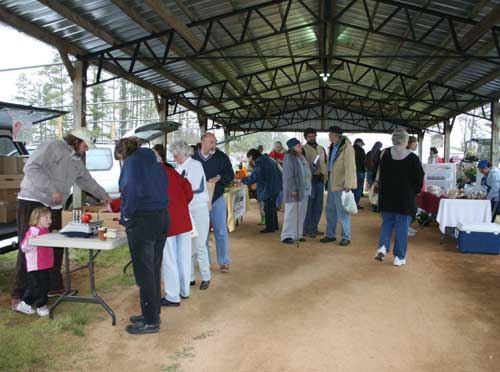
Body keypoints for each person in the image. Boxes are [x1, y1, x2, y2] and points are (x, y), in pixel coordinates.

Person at [10, 128, 111, 310]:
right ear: (76, 140)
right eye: (85, 145)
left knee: (56, 245)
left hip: (54, 206)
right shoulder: (51, 146)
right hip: (32, 201)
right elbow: (30, 167)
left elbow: (87, 181)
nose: (86, 149)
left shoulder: (75, 160)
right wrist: (51, 190)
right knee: (29, 246)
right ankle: (19, 293)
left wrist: (105, 197)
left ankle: (53, 287)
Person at [116, 137, 170, 335]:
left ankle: (150, 321)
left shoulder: (132, 162)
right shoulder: (154, 160)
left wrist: (126, 214)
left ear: (123, 153)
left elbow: (131, 190)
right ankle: (152, 312)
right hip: (162, 217)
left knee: (145, 272)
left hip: (144, 221)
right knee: (153, 269)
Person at [374, 129, 424, 267]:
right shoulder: (413, 158)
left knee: (387, 223)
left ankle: (383, 247)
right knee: (402, 227)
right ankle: (399, 257)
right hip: (404, 199)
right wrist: (414, 192)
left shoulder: (385, 155)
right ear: (404, 141)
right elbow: (419, 180)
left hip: (386, 198)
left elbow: (381, 175)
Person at [170, 140, 212, 291]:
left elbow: (194, 187)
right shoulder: (178, 167)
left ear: (183, 153)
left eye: (175, 155)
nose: (174, 158)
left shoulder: (195, 165)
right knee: (186, 246)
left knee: (200, 245)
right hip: (185, 210)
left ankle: (206, 277)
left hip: (198, 208)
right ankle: (190, 278)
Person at [193, 133, 234, 273]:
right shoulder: (193, 157)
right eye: (211, 142)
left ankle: (224, 262)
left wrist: (219, 177)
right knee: (202, 233)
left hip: (217, 198)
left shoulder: (221, 157)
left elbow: (230, 174)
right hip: (199, 201)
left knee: (221, 231)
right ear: (202, 142)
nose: (214, 145)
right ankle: (206, 263)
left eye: (215, 142)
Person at [160, 157, 194, 307]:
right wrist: (181, 204)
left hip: (167, 220)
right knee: (184, 258)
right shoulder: (173, 172)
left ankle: (173, 296)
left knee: (169, 260)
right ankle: (184, 291)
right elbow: (189, 191)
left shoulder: (153, 172)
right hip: (183, 219)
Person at [320, 126, 356, 246]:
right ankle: (330, 235)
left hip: (341, 183)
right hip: (331, 181)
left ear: (335, 135)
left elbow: (350, 167)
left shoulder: (347, 147)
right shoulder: (333, 146)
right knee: (330, 209)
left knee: (342, 210)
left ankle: (346, 237)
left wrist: (348, 184)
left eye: (330, 134)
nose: (329, 136)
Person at [14, 207, 53, 317]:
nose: (49, 220)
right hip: (36, 265)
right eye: (46, 217)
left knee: (39, 285)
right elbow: (24, 247)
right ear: (37, 219)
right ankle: (37, 305)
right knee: (38, 287)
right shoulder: (34, 231)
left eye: (50, 217)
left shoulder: (45, 231)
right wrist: (30, 242)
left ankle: (31, 304)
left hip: (44, 264)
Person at [240, 148, 282, 233]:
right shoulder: (269, 159)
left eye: (249, 158)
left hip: (268, 187)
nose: (249, 160)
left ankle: (270, 227)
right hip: (275, 186)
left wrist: (242, 180)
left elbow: (255, 176)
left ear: (251, 156)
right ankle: (274, 225)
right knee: (272, 207)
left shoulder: (260, 162)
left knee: (268, 208)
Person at [281, 138, 312, 244]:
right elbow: (288, 176)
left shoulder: (301, 156)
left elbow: (304, 170)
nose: (300, 147)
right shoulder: (289, 157)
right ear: (292, 147)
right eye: (298, 145)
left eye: (300, 145)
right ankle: (287, 235)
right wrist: (293, 189)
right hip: (294, 191)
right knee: (291, 213)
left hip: (304, 189)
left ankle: (298, 234)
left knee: (301, 213)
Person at [302, 128, 327, 238]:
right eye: (310, 137)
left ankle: (314, 227)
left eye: (314, 136)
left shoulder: (321, 149)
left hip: (320, 180)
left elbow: (325, 163)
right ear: (306, 138)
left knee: (319, 205)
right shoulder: (303, 149)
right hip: (309, 181)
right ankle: (306, 229)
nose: (312, 138)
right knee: (309, 206)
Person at [353, 138, 366, 209]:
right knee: (358, 189)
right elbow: (363, 161)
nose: (362, 145)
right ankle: (355, 204)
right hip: (359, 171)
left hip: (351, 172)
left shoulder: (350, 149)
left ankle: (348, 204)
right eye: (361, 144)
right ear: (358, 143)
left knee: (349, 188)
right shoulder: (361, 150)